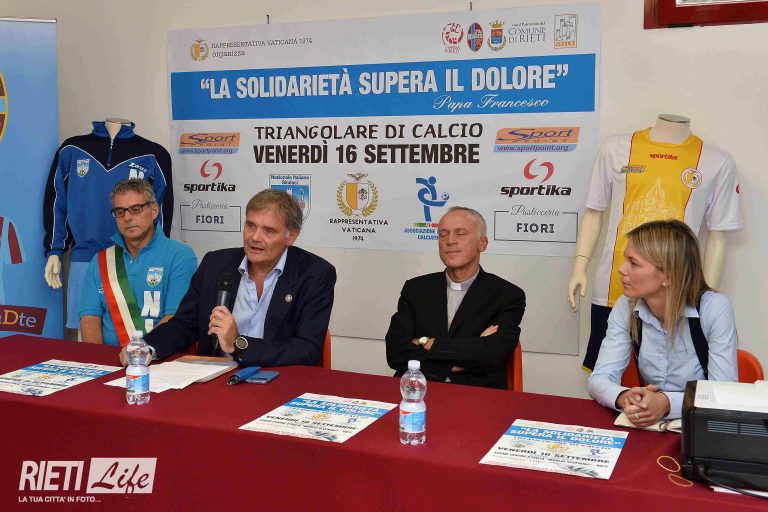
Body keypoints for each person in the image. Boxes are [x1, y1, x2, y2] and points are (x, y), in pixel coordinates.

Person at [121, 189, 336, 367]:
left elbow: (307, 349)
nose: (255, 237)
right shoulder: (215, 264)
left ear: (291, 236)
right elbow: (184, 325)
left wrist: (238, 344)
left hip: (277, 381)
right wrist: (146, 347)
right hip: (217, 380)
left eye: (269, 231)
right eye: (251, 226)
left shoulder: (315, 274)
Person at [588, 219, 738, 425]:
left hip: (702, 426)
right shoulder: (626, 306)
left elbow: (724, 392)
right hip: (651, 426)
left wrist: (667, 403)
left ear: (668, 275)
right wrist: (625, 397)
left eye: (633, 263)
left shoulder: (714, 308)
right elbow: (599, 379)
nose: (621, 269)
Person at [385, 206, 526, 389]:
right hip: (416, 391)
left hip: (477, 395)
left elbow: (490, 355)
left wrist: (425, 342)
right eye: (443, 234)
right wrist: (468, 351)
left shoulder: (507, 295)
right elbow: (396, 352)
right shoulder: (416, 289)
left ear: (482, 243)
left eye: (460, 233)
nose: (450, 241)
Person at [80, 179, 196, 346]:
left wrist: (138, 353)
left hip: (160, 355)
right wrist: (98, 358)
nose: (127, 217)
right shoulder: (100, 260)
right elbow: (89, 318)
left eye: (135, 209)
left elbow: (175, 320)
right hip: (109, 356)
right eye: (120, 211)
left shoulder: (180, 256)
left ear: (154, 210)